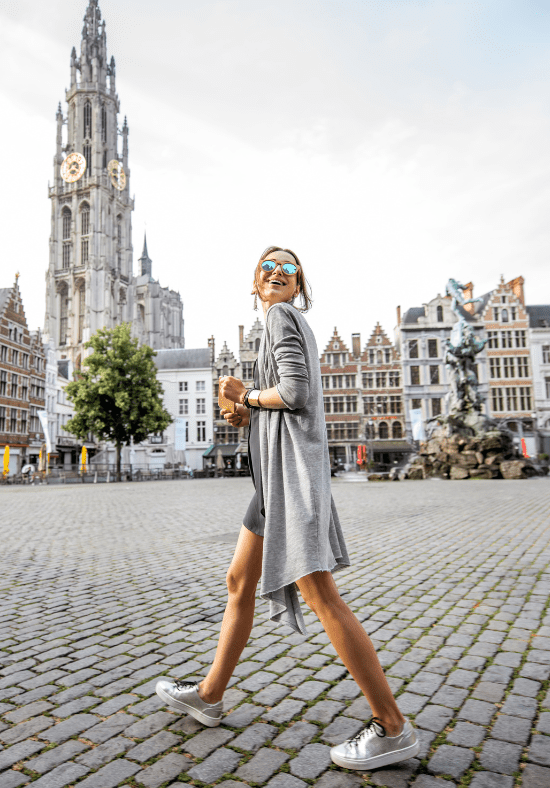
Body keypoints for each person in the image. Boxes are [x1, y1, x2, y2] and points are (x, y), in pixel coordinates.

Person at [155, 246, 417, 770]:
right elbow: (285, 403)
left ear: (298, 285)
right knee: (238, 582)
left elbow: (296, 394)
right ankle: (209, 694)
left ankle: (391, 726)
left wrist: (247, 395)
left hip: (289, 483)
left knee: (322, 596)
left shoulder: (279, 316)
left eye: (288, 269)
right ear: (255, 282)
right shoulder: (283, 322)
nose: (277, 273)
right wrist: (245, 414)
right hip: (271, 483)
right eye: (267, 268)